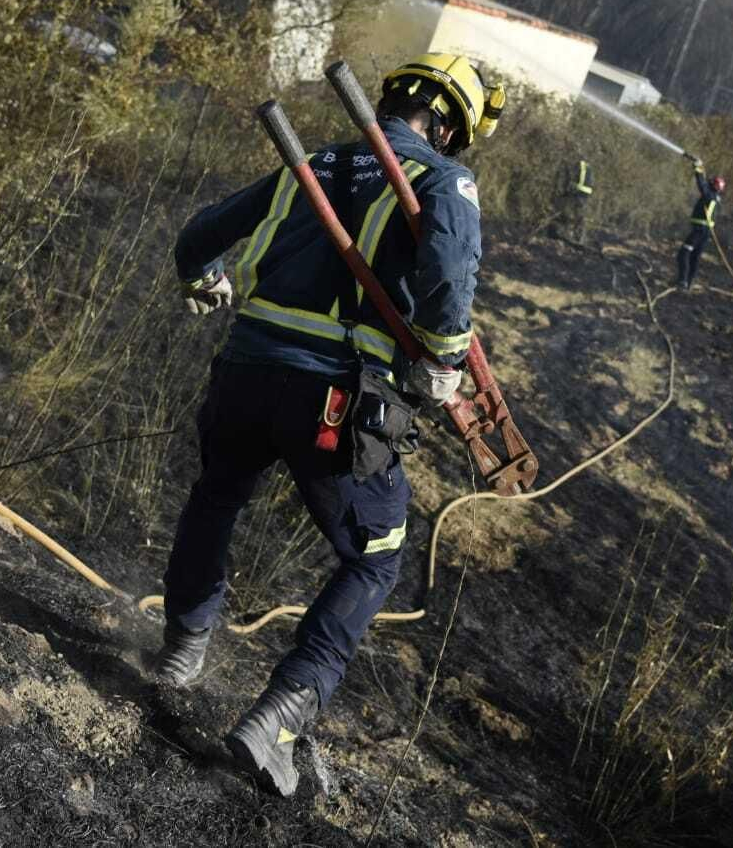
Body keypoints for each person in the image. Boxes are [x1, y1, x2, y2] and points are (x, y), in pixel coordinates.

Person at [158, 52, 505, 797]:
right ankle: (280, 718)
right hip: (333, 398)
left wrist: (206, 281)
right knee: (377, 554)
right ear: (447, 125)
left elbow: (198, 238)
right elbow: (447, 270)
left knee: (217, 494)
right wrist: (441, 361)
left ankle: (181, 650)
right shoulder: (444, 178)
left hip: (244, 374)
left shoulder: (308, 163)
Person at [676, 155, 726, 290]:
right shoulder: (716, 197)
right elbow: (705, 185)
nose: (709, 183)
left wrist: (698, 168)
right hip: (705, 232)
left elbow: (701, 184)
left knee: (684, 253)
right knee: (695, 257)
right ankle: (688, 283)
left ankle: (682, 282)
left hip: (699, 231)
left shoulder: (709, 195)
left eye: (711, 183)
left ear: (714, 186)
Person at [554, 158, 594, 243]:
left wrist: (571, 188)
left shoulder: (581, 165)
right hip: (586, 193)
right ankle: (578, 235)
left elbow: (580, 180)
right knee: (579, 214)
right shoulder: (588, 166)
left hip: (580, 192)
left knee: (570, 210)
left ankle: (570, 233)